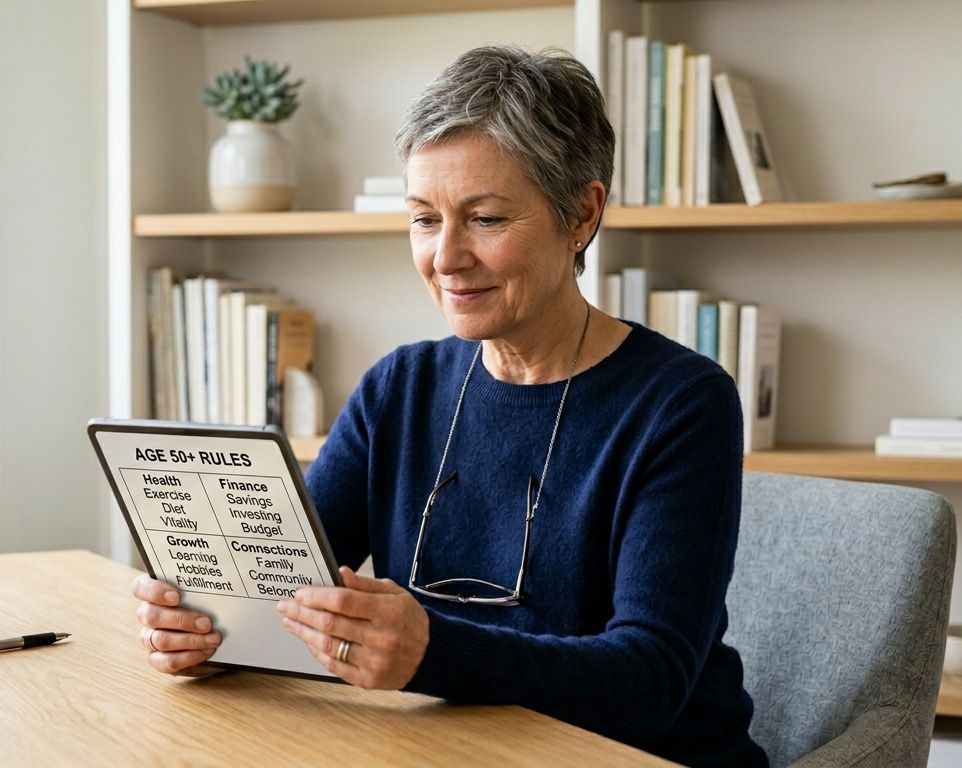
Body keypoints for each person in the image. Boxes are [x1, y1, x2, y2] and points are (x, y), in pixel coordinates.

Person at [131, 45, 768, 767]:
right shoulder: (398, 387)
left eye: (486, 218)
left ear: (581, 215)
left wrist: (431, 651)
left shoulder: (681, 402)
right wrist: (213, 630)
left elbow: (649, 680)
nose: (446, 256)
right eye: (424, 219)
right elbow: (286, 591)